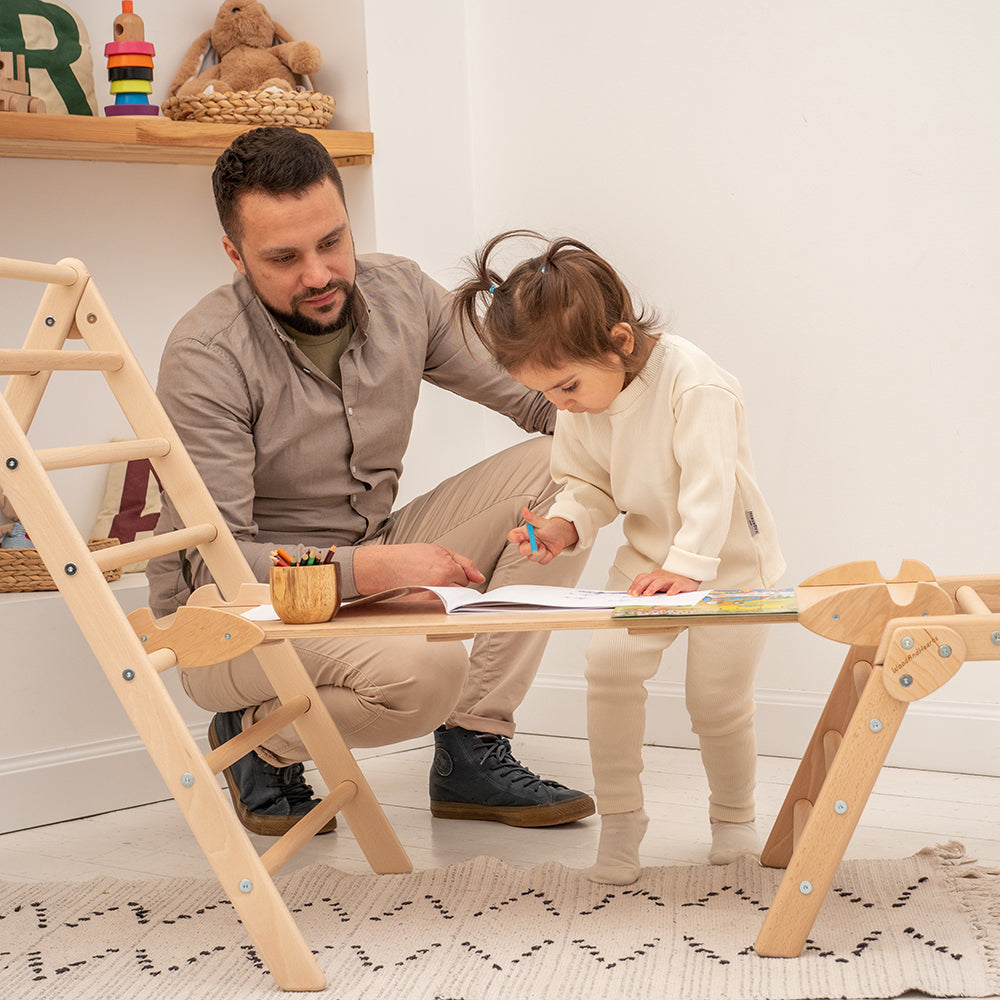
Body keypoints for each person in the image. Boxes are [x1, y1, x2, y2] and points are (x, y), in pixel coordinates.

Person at [147, 128, 595, 837]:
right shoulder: (206, 355)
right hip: (235, 611)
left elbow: (544, 399)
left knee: (566, 466)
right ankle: (261, 742)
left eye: (332, 241)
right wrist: (380, 569)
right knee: (422, 676)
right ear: (234, 255)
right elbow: (217, 562)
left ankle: (475, 748)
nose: (319, 274)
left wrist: (657, 419)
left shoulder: (403, 294)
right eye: (284, 258)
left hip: (365, 550)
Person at [452, 230, 785, 883]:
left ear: (621, 342)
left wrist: (688, 568)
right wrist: (563, 527)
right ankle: (623, 823)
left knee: (716, 702)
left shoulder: (694, 385)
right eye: (547, 393)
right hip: (650, 556)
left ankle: (734, 819)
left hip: (731, 560)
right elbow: (588, 486)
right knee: (607, 668)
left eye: (567, 386)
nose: (561, 404)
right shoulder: (580, 401)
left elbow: (709, 489)